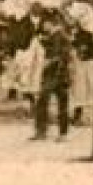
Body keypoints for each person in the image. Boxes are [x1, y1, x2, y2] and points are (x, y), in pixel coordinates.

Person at [31, 10, 74, 141]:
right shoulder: (58, 36)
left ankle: (42, 131)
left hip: (55, 74)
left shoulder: (58, 36)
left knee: (43, 101)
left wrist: (45, 63)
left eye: (44, 24)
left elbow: (58, 56)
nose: (43, 27)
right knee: (61, 103)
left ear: (51, 23)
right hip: (60, 74)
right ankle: (61, 133)